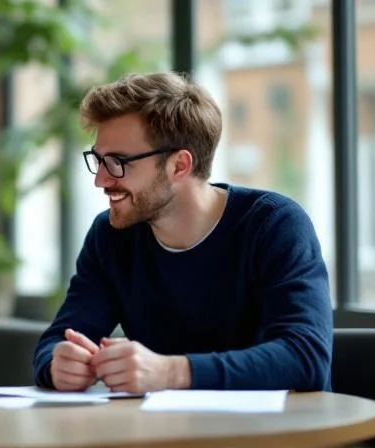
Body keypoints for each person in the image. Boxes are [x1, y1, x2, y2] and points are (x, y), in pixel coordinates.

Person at [33, 72, 332, 394]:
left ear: (179, 166)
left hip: (279, 435)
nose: (101, 180)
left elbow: (305, 359)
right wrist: (58, 364)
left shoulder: (273, 224)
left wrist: (172, 372)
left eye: (118, 162)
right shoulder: (111, 236)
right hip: (164, 434)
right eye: (99, 160)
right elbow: (60, 339)